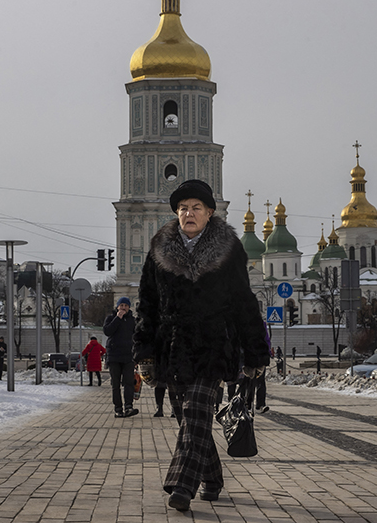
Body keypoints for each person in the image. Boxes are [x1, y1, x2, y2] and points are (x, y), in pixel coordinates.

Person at [133, 179, 270, 512]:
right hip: (174, 347)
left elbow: (243, 301)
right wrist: (145, 353)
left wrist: (255, 352)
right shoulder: (159, 249)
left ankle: (182, 485)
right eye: (183, 209)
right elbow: (147, 304)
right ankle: (212, 477)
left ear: (210, 212)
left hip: (214, 345)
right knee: (187, 419)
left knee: (197, 410)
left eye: (196, 208)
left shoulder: (229, 248)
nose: (188, 214)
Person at [104, 297, 139, 418]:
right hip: (114, 356)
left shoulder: (132, 321)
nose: (123, 308)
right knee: (115, 384)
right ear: (117, 306)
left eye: (126, 306)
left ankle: (129, 406)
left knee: (129, 382)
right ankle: (118, 408)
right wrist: (117, 318)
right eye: (121, 305)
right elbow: (107, 331)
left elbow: (136, 338)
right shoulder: (110, 318)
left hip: (128, 356)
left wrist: (136, 355)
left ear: (129, 307)